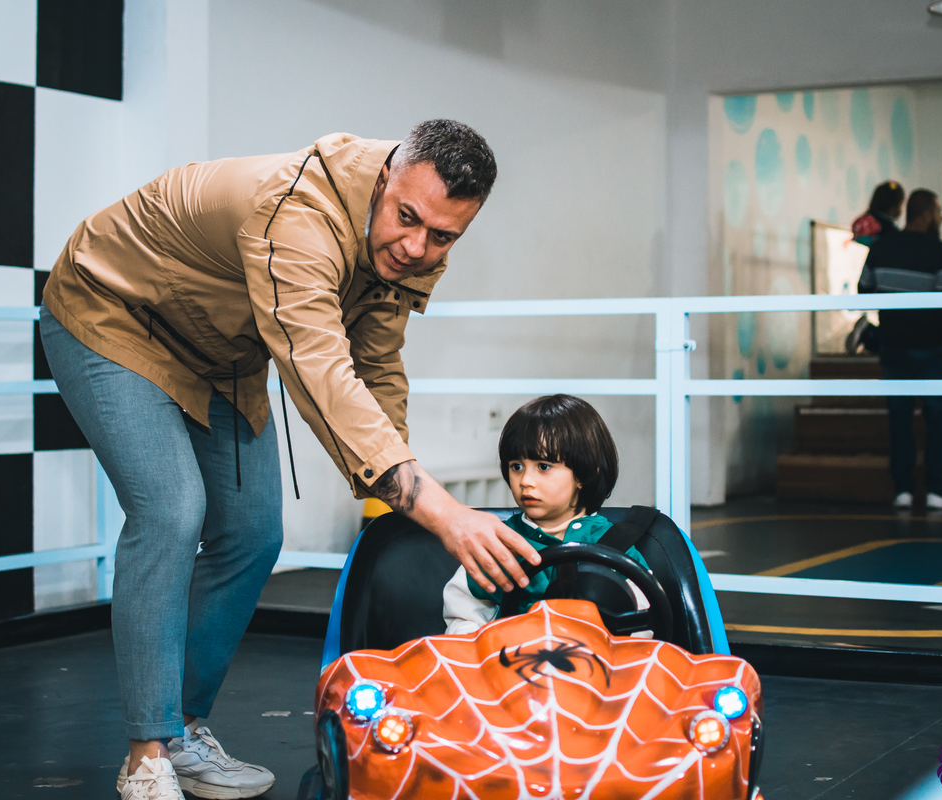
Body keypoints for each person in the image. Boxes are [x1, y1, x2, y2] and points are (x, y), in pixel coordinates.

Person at [39, 120, 542, 800]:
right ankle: (147, 756)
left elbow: (377, 365)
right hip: (114, 313)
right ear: (387, 176)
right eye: (407, 219)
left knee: (252, 533)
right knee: (172, 512)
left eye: (444, 237)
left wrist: (402, 489)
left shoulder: (416, 237)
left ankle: (183, 731)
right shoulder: (297, 214)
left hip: (220, 349)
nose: (417, 246)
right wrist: (443, 512)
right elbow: (322, 374)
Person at [443, 394, 654, 636]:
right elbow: (464, 616)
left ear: (584, 474)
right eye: (517, 467)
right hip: (513, 665)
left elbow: (643, 623)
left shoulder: (616, 546)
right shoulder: (498, 543)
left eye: (543, 466)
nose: (525, 481)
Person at [857, 189, 942, 510]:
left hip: (893, 346)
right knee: (937, 418)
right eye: (939, 211)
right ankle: (936, 490)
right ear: (928, 214)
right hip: (930, 348)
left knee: (899, 419)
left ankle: (902, 490)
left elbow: (864, 291)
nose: (941, 217)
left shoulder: (882, 248)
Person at [846, 181, 905, 354]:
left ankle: (870, 335)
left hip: (871, 276)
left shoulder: (867, 220)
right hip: (887, 279)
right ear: (896, 206)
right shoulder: (890, 232)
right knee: (897, 337)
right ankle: (869, 335)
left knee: (890, 328)